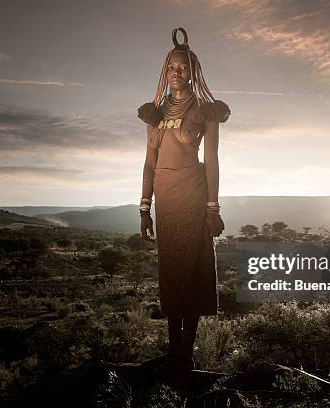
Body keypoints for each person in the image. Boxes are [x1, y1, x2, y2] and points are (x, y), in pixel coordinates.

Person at [137, 27, 230, 372]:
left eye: (183, 68)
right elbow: (149, 163)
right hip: (166, 200)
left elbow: (213, 160)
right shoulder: (155, 113)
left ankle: (185, 356)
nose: (177, 73)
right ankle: (173, 350)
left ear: (194, 72)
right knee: (171, 272)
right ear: (165, 72)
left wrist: (213, 208)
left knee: (192, 270)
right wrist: (144, 207)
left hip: (193, 195)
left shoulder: (206, 111)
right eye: (171, 68)